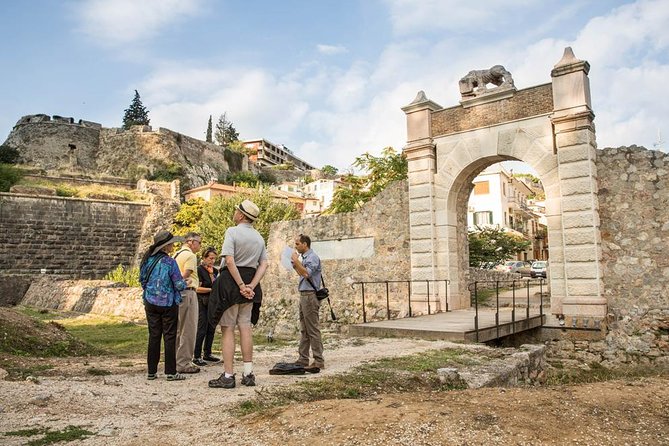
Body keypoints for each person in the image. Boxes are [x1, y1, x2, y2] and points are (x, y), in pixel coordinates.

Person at [208, 199, 268, 389]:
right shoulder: (259, 237)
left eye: (236, 211)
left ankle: (228, 375)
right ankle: (248, 373)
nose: (234, 213)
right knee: (245, 327)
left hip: (232, 284)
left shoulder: (232, 232)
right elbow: (264, 264)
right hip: (251, 283)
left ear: (241, 215)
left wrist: (241, 285)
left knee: (227, 328)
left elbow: (230, 261)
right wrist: (251, 285)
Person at [139, 230, 189, 381]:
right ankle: (170, 372)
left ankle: (151, 371)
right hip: (167, 303)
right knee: (169, 336)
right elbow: (179, 284)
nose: (173, 245)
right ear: (166, 246)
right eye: (171, 243)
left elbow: (142, 279)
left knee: (154, 335)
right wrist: (186, 283)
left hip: (150, 301)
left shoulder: (147, 260)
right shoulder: (170, 262)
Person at [291, 234, 325, 372]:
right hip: (304, 294)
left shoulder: (312, 257)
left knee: (312, 329)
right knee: (304, 329)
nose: (296, 246)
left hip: (310, 295)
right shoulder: (305, 258)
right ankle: (303, 358)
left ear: (305, 244)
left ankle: (318, 360)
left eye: (298, 244)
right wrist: (295, 264)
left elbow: (306, 274)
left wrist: (296, 260)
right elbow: (301, 273)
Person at [173, 232, 202, 374]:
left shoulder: (176, 254)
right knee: (189, 329)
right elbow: (186, 273)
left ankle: (173, 360)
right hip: (188, 292)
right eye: (199, 242)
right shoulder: (190, 256)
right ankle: (184, 362)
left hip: (177, 293)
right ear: (190, 241)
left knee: (177, 328)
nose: (200, 246)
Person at [192, 247, 220, 366]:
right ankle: (196, 355)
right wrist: (211, 290)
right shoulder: (199, 270)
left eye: (214, 258)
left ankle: (207, 353)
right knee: (201, 328)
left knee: (211, 328)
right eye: (210, 258)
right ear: (204, 258)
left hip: (212, 302)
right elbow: (197, 288)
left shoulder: (215, 271)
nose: (212, 261)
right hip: (202, 301)